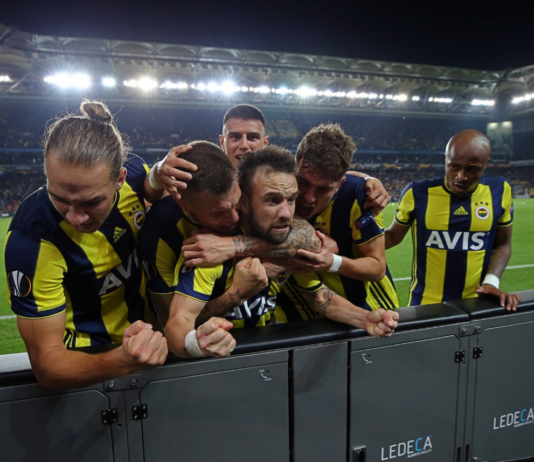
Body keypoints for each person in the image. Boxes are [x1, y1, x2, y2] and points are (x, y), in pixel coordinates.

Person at [3, 100, 196, 389]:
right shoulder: (31, 241)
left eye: (92, 202)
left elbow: (150, 185)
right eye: (59, 198)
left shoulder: (133, 175)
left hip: (152, 342)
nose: (75, 217)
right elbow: (47, 365)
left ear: (119, 180)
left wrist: (158, 171)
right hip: (87, 366)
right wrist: (124, 358)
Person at [165, 146, 399, 358]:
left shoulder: (284, 246)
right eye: (272, 200)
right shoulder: (210, 252)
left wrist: (364, 318)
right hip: (217, 368)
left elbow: (319, 297)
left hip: (267, 362)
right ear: (242, 202)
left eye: (291, 199)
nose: (287, 213)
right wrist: (197, 342)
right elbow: (177, 322)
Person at [138, 141, 322, 323]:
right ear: (183, 204)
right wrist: (236, 294)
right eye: (219, 213)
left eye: (237, 203)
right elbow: (170, 320)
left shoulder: (239, 188)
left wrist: (234, 246)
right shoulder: (160, 230)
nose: (235, 217)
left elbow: (309, 239)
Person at [385, 129, 520, 310]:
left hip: (477, 304)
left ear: (486, 164)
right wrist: (351, 245)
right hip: (425, 305)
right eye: (454, 166)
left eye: (472, 169)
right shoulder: (417, 193)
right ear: (446, 159)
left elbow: (502, 244)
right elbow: (392, 236)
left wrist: (491, 282)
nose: (461, 177)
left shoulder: (500, 190)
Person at [279, 123, 400, 317]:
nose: (309, 198)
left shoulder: (360, 196)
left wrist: (332, 262)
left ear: (339, 184)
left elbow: (378, 267)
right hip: (305, 314)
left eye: (323, 189)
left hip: (369, 309)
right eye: (303, 182)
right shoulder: (278, 188)